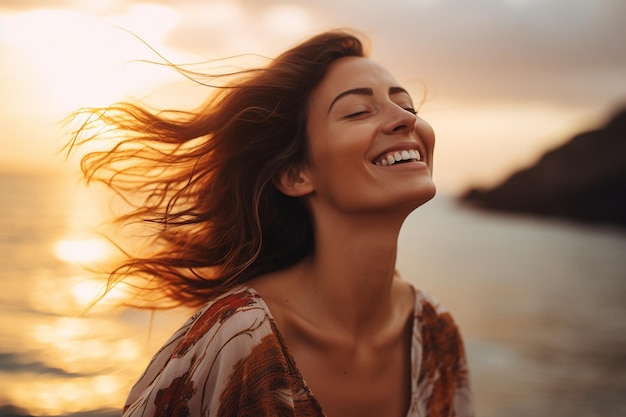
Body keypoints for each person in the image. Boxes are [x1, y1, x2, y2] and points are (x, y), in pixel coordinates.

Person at [68, 29, 473, 417]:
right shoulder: (237, 338)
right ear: (296, 175)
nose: (405, 119)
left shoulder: (436, 334)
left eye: (409, 106)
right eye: (357, 111)